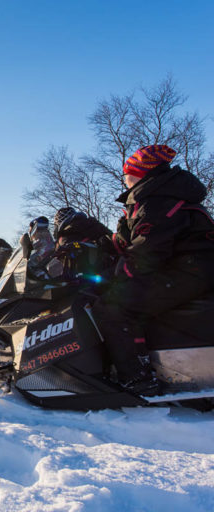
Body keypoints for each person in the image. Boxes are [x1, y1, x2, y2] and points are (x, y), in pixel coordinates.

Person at [93, 145, 214, 395]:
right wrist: (96, 246)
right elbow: (130, 239)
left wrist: (118, 276)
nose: (125, 179)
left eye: (129, 173)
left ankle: (138, 379)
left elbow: (147, 250)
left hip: (191, 272)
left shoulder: (158, 201)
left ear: (143, 174)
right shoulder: (155, 198)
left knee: (113, 308)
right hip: (186, 269)